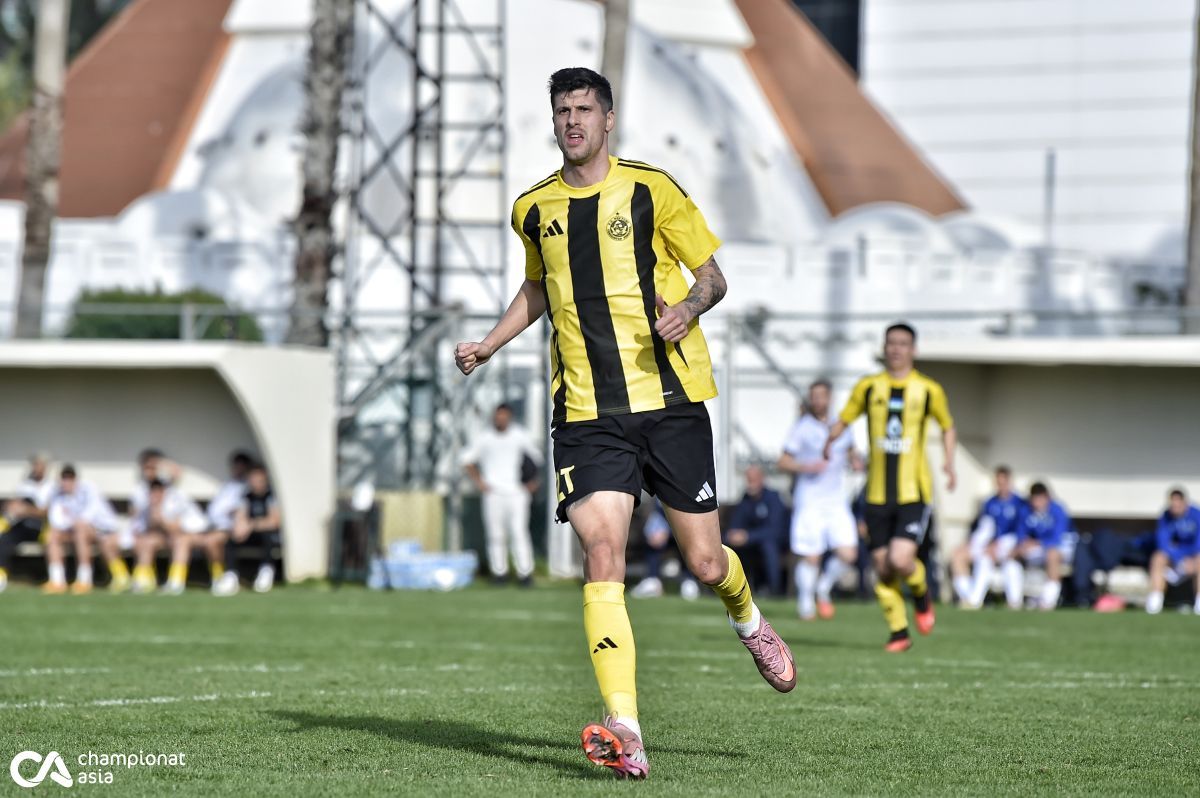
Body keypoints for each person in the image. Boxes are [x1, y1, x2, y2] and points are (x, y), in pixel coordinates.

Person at [454, 66, 795, 779]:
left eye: (584, 109)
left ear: (608, 119)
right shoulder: (533, 208)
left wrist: (689, 309)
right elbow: (539, 287)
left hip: (670, 403)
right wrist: (489, 344)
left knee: (706, 563)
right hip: (586, 414)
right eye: (563, 111)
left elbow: (712, 277)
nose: (573, 121)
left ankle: (748, 620)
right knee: (603, 552)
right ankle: (626, 729)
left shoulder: (651, 189)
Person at [824, 322, 956, 652]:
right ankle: (899, 632)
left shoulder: (928, 389)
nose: (896, 349)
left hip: (914, 492)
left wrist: (949, 463)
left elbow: (947, 426)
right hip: (877, 494)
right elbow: (846, 418)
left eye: (903, 343)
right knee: (882, 568)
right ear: (884, 348)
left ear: (914, 350)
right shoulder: (869, 387)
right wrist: (830, 440)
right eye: (891, 343)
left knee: (900, 559)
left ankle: (921, 593)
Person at [779, 379, 860, 620]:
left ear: (830, 398)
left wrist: (856, 461)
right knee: (811, 556)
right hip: (810, 499)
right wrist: (805, 466)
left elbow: (851, 452)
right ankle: (806, 603)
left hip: (836, 499)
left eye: (821, 396)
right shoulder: (802, 427)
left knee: (849, 554)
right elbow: (783, 461)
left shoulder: (841, 425)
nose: (817, 401)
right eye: (813, 396)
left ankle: (823, 587)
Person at [463, 403, 542, 587]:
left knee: (519, 532)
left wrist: (533, 482)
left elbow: (536, 459)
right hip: (493, 493)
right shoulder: (485, 437)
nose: (501, 419)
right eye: (498, 416)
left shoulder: (520, 435)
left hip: (517, 492)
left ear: (510, 417)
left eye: (504, 416)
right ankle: (499, 573)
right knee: (495, 534)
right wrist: (480, 482)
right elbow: (467, 460)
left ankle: (525, 573)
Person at [43, 465, 125, 594]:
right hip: (75, 530)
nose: (67, 482)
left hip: (102, 530)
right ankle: (57, 581)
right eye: (64, 478)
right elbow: (56, 520)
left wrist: (73, 523)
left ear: (76, 479)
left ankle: (84, 580)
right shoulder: (57, 494)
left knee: (80, 531)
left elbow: (89, 516)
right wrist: (69, 524)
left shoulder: (89, 489)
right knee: (52, 535)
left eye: (70, 478)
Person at [952, 466, 1025, 609]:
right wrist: (972, 543)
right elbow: (984, 528)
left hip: (1010, 545)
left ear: (1010, 482)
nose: (1001, 486)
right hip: (988, 545)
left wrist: (1001, 545)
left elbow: (1021, 530)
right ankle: (969, 597)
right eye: (998, 483)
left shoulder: (1020, 504)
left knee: (993, 562)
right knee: (958, 556)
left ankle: (977, 600)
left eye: (1003, 482)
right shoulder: (989, 503)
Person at [128, 480, 210, 595]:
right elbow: (145, 529)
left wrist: (159, 518)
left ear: (163, 491)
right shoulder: (149, 506)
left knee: (181, 542)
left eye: (158, 491)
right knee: (147, 542)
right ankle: (143, 579)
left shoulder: (174, 502)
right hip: (170, 536)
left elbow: (176, 528)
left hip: (197, 533)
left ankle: (176, 581)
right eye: (152, 491)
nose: (155, 494)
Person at [213, 463, 281, 596]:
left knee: (268, 536)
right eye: (252, 479)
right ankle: (231, 575)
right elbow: (241, 516)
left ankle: (265, 572)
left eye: (258, 479)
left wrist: (251, 525)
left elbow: (274, 521)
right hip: (250, 535)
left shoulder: (271, 496)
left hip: (266, 536)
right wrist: (239, 528)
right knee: (231, 540)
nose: (255, 483)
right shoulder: (246, 496)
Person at [1004, 482, 1073, 610]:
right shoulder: (1026, 511)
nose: (1037, 503)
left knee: (1052, 555)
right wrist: (1022, 546)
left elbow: (1057, 539)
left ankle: (1048, 600)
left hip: (1062, 548)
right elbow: (1021, 534)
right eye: (1034, 499)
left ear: (1047, 497)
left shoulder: (1057, 510)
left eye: (1040, 499)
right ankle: (1014, 601)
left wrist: (1036, 543)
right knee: (1013, 555)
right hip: (1038, 548)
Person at [723, 465, 789, 597]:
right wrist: (733, 534)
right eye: (749, 479)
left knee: (768, 545)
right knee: (725, 542)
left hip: (778, 542)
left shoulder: (773, 498)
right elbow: (736, 522)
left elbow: (775, 530)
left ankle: (774, 591)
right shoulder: (745, 499)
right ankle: (727, 588)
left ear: (762, 479)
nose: (751, 483)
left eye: (753, 479)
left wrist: (748, 536)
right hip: (751, 543)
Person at [0, 453, 56, 592]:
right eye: (35, 465)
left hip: (42, 527)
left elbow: (48, 511)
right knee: (4, 539)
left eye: (40, 465)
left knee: (28, 501)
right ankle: (1, 576)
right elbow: (15, 506)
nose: (37, 468)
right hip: (23, 525)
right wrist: (13, 507)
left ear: (45, 467)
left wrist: (27, 509)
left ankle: (56, 580)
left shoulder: (52, 486)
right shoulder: (25, 485)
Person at [1145, 487, 1200, 615]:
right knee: (1158, 558)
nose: (1175, 508)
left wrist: (1189, 559)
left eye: (1178, 504)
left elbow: (1198, 542)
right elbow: (1163, 542)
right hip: (1174, 559)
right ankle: (1155, 601)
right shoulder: (1165, 517)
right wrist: (1178, 559)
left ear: (1184, 502)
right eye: (1172, 504)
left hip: (1193, 558)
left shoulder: (1196, 515)